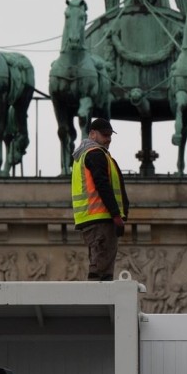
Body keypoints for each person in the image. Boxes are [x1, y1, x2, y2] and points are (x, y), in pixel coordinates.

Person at [70, 118, 130, 280]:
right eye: (105, 135)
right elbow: (102, 185)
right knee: (101, 269)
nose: (108, 139)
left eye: (110, 135)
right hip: (101, 218)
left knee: (100, 263)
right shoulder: (95, 154)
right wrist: (116, 215)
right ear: (92, 134)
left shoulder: (85, 155)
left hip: (93, 218)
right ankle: (99, 303)